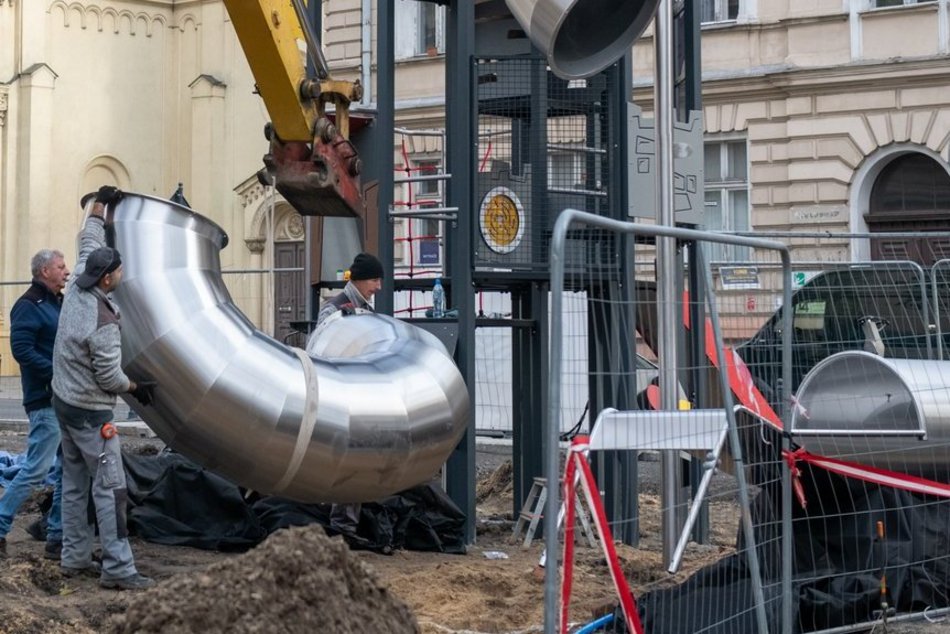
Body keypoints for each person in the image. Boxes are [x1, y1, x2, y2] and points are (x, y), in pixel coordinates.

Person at [51, 185, 155, 590]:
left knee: (75, 482)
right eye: (120, 270)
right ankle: (118, 568)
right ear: (109, 277)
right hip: (92, 414)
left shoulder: (79, 278)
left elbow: (88, 238)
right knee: (111, 490)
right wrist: (135, 386)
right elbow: (110, 377)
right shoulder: (104, 322)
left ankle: (74, 557)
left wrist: (100, 203)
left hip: (64, 403)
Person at [310, 252, 384, 545]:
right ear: (361, 279)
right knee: (349, 459)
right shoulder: (336, 309)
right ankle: (342, 527)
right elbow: (322, 347)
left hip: (355, 394)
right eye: (375, 280)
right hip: (342, 396)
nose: (378, 286)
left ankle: (344, 523)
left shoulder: (362, 308)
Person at [0, 249, 69, 559]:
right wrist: (58, 375)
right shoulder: (29, 305)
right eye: (60, 266)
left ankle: (56, 535)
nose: (66, 271)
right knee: (36, 468)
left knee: (70, 467)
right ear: (44, 271)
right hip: (45, 399)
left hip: (65, 399)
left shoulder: (59, 303)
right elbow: (22, 351)